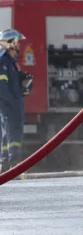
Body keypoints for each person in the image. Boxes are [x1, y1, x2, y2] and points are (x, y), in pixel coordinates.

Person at [0, 29, 26, 173]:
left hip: (13, 105)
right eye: (17, 42)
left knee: (11, 134)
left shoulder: (11, 62)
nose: (19, 46)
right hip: (8, 106)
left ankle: (9, 164)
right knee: (11, 134)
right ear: (10, 43)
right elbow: (2, 88)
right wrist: (12, 103)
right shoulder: (3, 61)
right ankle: (12, 165)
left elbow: (12, 84)